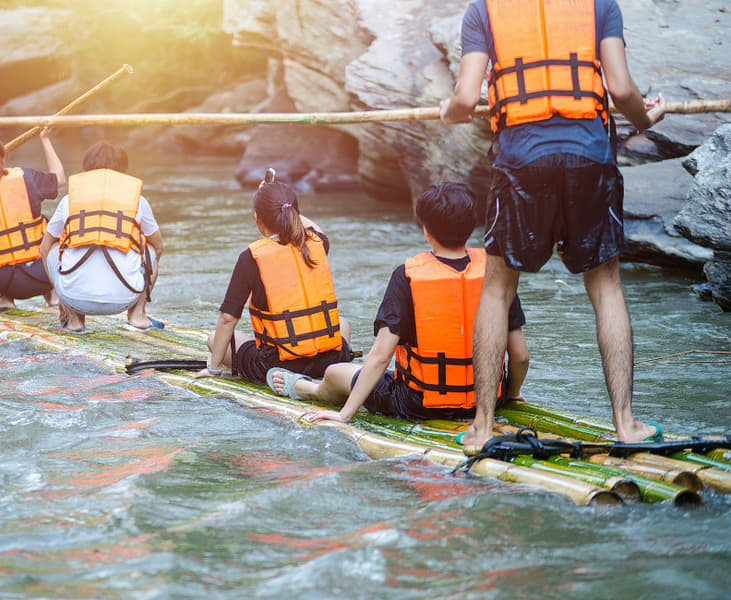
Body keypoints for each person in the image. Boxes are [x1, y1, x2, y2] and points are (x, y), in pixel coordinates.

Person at [440, 0, 668, 445]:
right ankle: (626, 425)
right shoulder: (601, 5)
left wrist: (448, 111)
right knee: (605, 287)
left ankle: (482, 427)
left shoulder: (483, 11)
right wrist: (646, 119)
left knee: (498, 288)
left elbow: (466, 99)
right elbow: (621, 91)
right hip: (589, 157)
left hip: (520, 162)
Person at [267, 183, 529, 427]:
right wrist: (511, 394)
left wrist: (345, 414)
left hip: (417, 405)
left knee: (335, 372)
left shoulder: (407, 277)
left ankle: (306, 388)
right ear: (472, 227)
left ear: (426, 230)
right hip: (486, 401)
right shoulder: (494, 276)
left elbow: (381, 356)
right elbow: (520, 356)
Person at [195, 178, 354, 383]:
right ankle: (332, 372)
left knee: (214, 340)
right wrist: (282, 204)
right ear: (295, 214)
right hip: (328, 359)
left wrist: (214, 369)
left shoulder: (251, 258)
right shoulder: (317, 243)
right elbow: (318, 229)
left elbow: (228, 319)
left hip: (278, 365)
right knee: (343, 324)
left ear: (257, 218)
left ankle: (288, 379)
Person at [39, 141, 164, 333]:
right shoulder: (138, 201)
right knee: (150, 247)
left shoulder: (69, 201)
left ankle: (74, 320)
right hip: (125, 297)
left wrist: (61, 296)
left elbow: (44, 247)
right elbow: (159, 246)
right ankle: (138, 315)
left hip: (74, 297)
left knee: (53, 247)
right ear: (123, 172)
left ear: (86, 170)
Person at [0, 130, 65, 310]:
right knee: (50, 232)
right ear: (4, 158)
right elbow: (59, 179)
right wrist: (45, 139)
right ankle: (53, 294)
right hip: (42, 275)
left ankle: (5, 299)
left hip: (2, 281)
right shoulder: (26, 176)